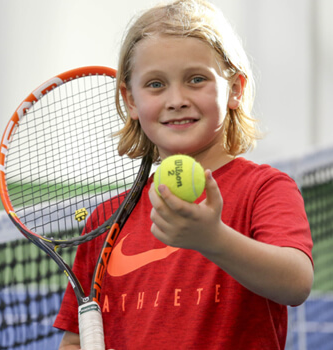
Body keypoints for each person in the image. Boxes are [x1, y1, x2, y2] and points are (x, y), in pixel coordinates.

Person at [54, 0, 314, 349]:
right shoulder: (105, 222)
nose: (176, 99)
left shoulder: (265, 189)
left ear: (235, 89)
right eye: (156, 84)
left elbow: (295, 283)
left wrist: (213, 239)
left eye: (196, 79)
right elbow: (75, 340)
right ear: (130, 100)